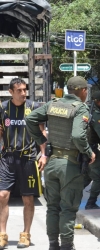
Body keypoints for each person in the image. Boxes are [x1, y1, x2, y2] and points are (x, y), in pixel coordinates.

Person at [26, 76, 96, 250]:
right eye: (86, 90)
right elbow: (78, 136)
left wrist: (42, 140)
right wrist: (89, 152)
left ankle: (53, 245)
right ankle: (66, 245)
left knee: (53, 207)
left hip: (52, 164)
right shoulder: (80, 108)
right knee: (67, 208)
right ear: (82, 91)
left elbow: (30, 119)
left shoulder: (53, 104)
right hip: (70, 166)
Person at [0, 78, 47, 249]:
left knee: (28, 198)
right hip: (8, 158)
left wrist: (43, 155)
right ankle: (2, 235)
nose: (23, 93)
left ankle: (26, 234)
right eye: (19, 90)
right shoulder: (3, 108)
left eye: (25, 90)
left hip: (28, 159)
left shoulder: (34, 107)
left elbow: (41, 133)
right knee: (2, 196)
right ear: (11, 92)